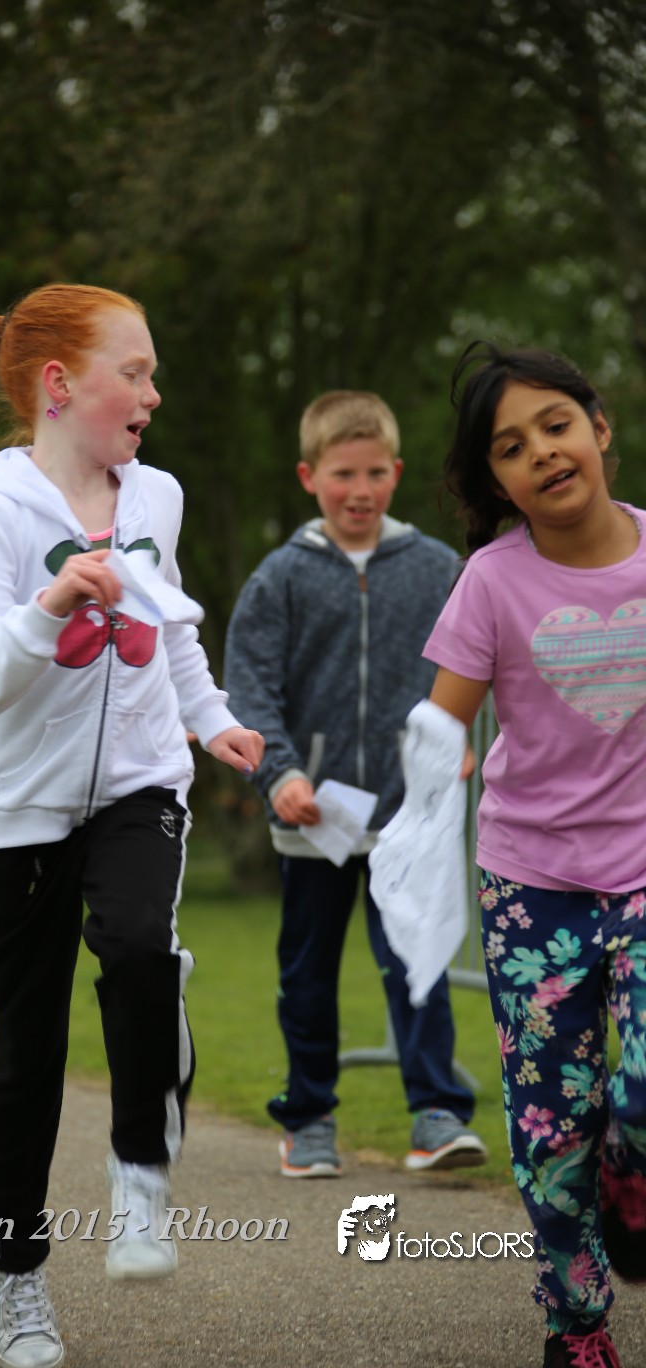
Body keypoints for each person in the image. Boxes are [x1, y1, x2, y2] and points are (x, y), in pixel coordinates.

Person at [0, 281, 263, 1368]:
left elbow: (172, 631)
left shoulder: (157, 497)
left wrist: (213, 720)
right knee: (27, 1058)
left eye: (151, 374)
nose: (153, 394)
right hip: (24, 815)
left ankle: (141, 1174)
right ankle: (18, 1276)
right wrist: (49, 607)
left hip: (142, 786)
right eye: (134, 374)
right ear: (59, 386)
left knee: (138, 949)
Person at [420, 339, 646, 1368]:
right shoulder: (491, 581)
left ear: (598, 427)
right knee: (554, 1126)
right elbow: (443, 721)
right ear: (497, 480)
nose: (543, 452)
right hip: (532, 886)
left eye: (556, 426)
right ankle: (576, 1325)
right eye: (512, 447)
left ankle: (633, 1175)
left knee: (640, 1096)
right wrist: (429, 779)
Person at [223, 389, 485, 1177]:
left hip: (410, 817)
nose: (360, 490)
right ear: (309, 476)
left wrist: (458, 738)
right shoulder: (280, 578)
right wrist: (279, 773)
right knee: (307, 976)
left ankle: (436, 1115)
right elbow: (250, 687)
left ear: (397, 473)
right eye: (343, 474)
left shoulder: (438, 569)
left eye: (375, 473)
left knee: (418, 963)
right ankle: (308, 1120)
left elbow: (477, 665)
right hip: (313, 818)